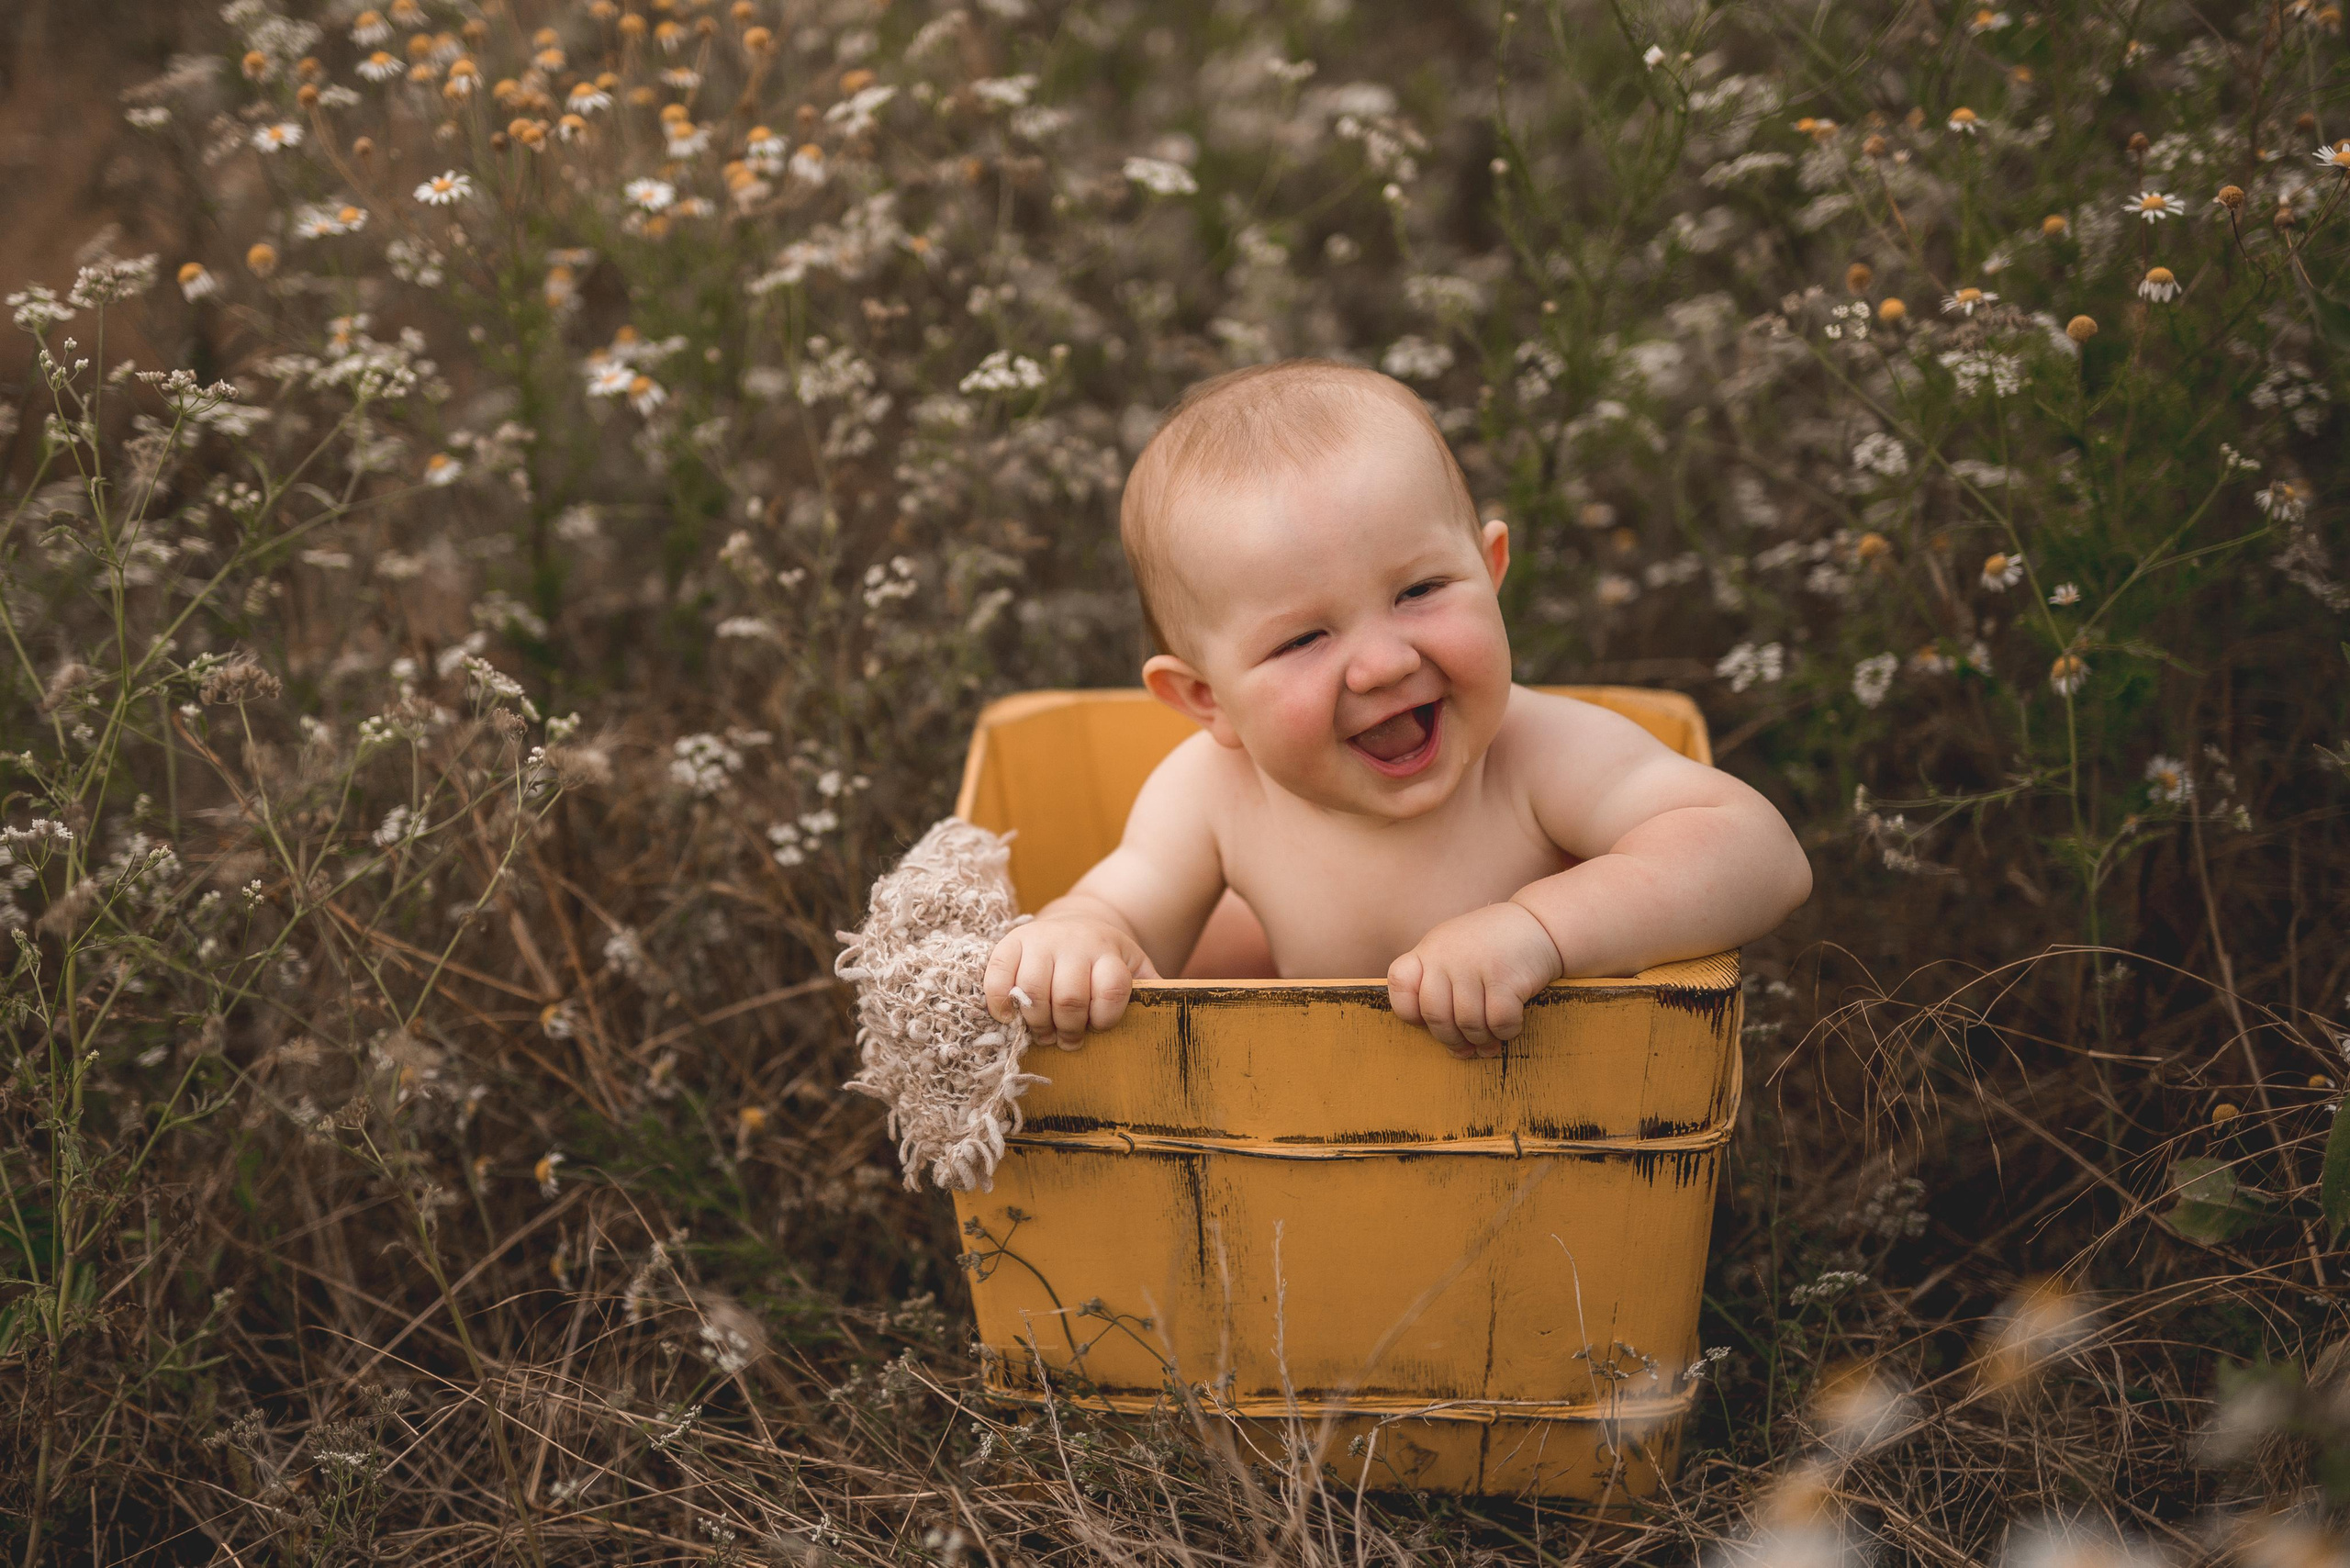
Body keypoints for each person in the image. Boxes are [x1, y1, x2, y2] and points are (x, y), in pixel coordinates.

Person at [982, 358, 1812, 1058]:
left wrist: (1540, 933)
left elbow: (1760, 854)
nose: (1383, 664)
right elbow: (1127, 904)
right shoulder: (1213, 790)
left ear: (1490, 571)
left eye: (1419, 591)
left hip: (1554, 1112)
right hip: (1326, 1125)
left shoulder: (1537, 750)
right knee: (1210, 949)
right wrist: (1080, 936)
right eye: (1304, 639)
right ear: (1207, 700)